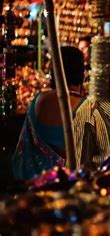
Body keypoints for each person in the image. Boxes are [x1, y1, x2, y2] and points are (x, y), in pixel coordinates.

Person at [12, 47, 86, 180]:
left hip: (31, 184)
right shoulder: (85, 106)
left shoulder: (38, 99)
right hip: (65, 187)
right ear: (81, 72)